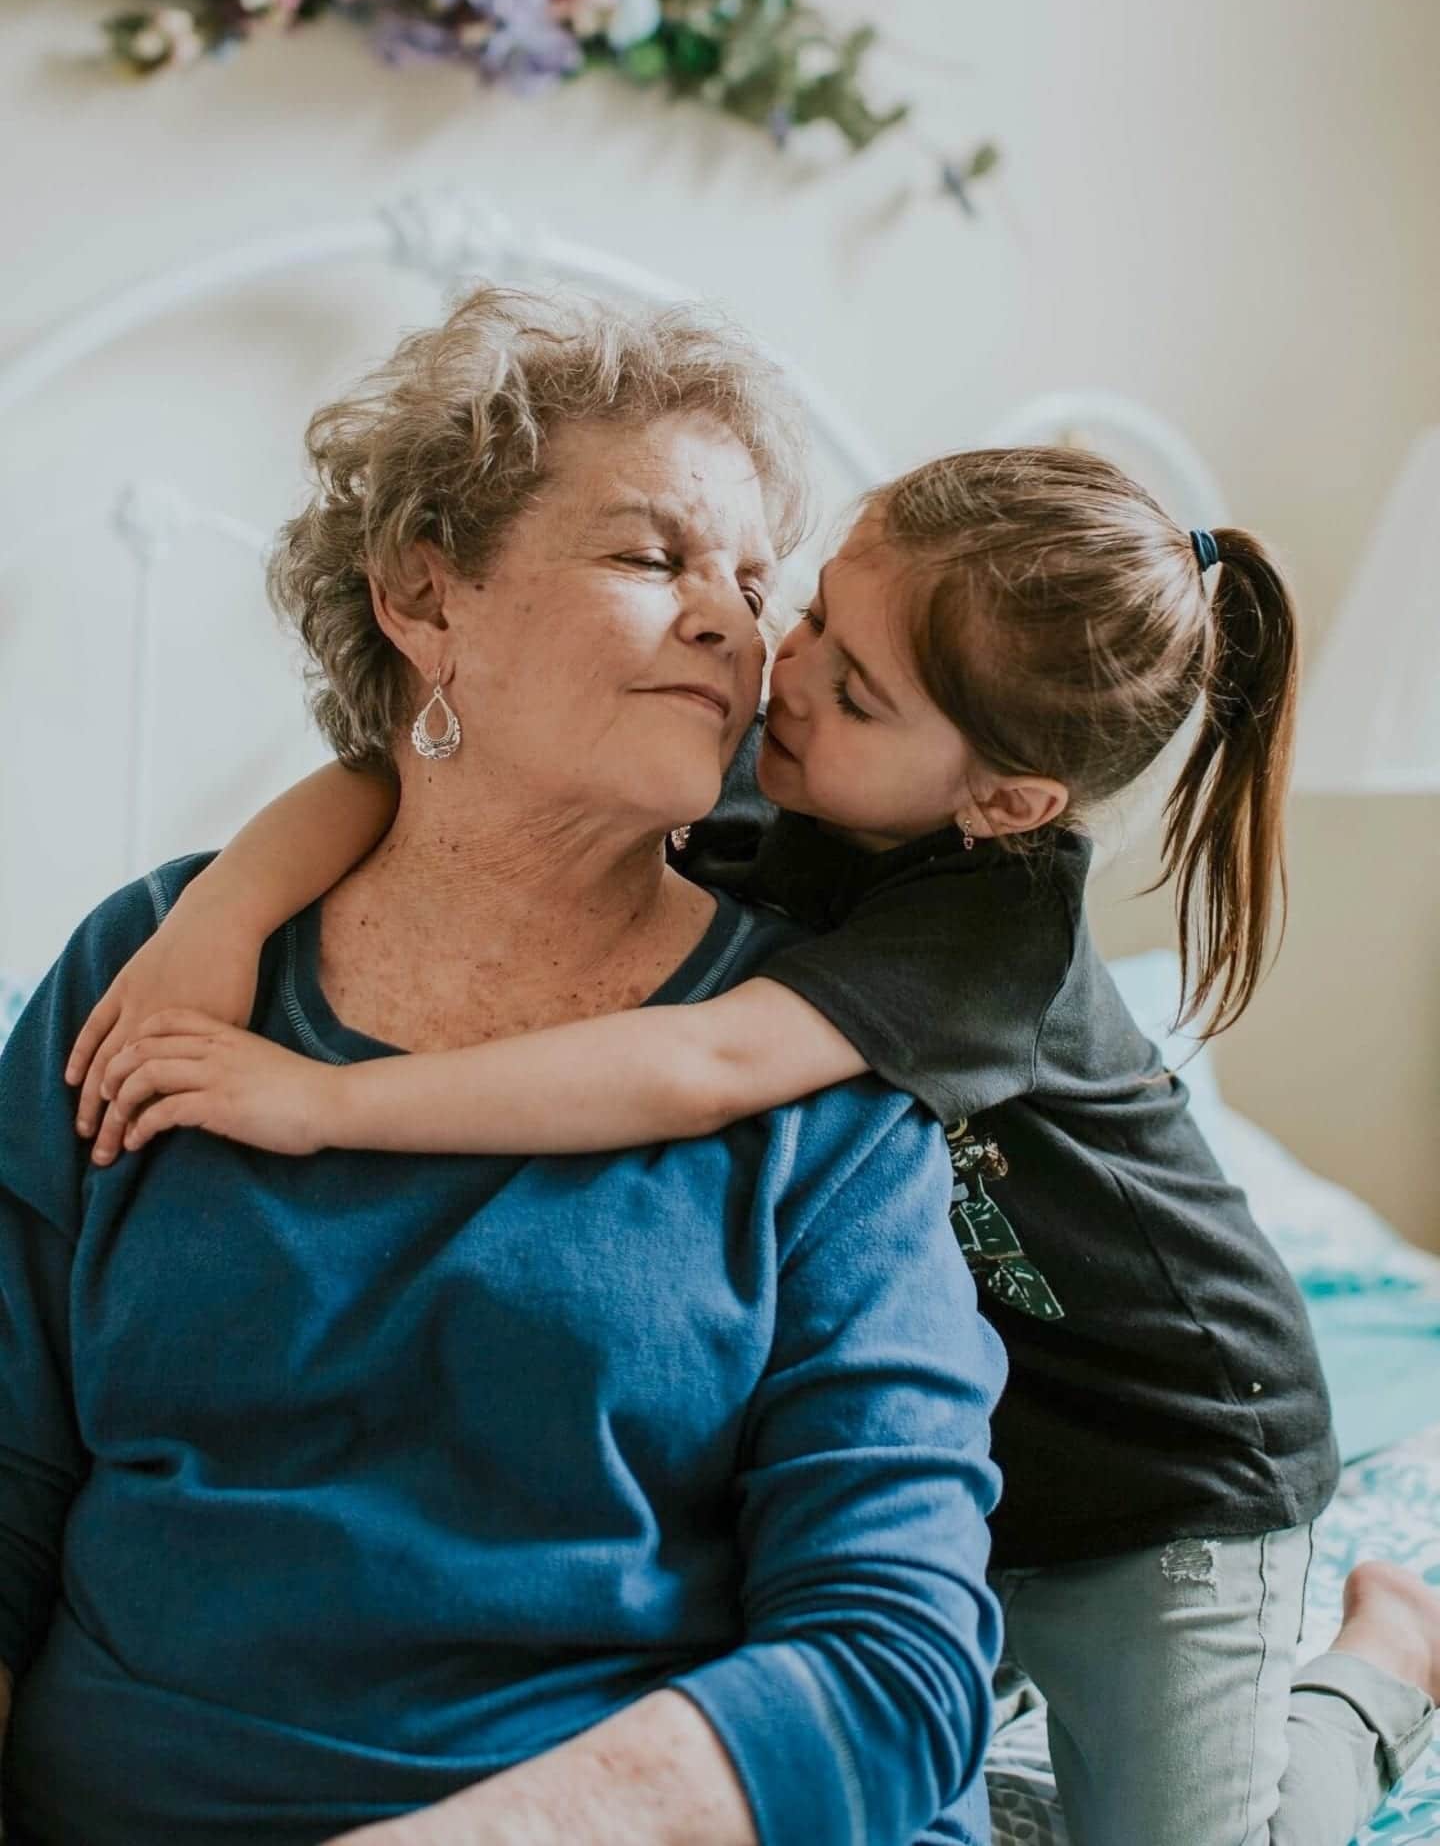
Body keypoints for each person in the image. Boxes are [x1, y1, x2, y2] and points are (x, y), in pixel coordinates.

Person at [78, 444, 1440, 1846]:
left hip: (1176, 1464)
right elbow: (409, 768)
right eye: (819, 613)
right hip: (988, 1445)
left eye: (856, 688)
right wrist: (219, 916)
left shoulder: (991, 929)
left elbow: (703, 1062)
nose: (784, 672)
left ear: (1009, 802)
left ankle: (1373, 1676)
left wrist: (324, 1103)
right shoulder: (787, 751)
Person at [0, 287, 1007, 1846]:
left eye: (754, 583)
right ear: (425, 593)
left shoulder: (818, 1057)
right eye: (650, 557)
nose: (736, 625)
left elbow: (892, 1670)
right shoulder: (155, 968)